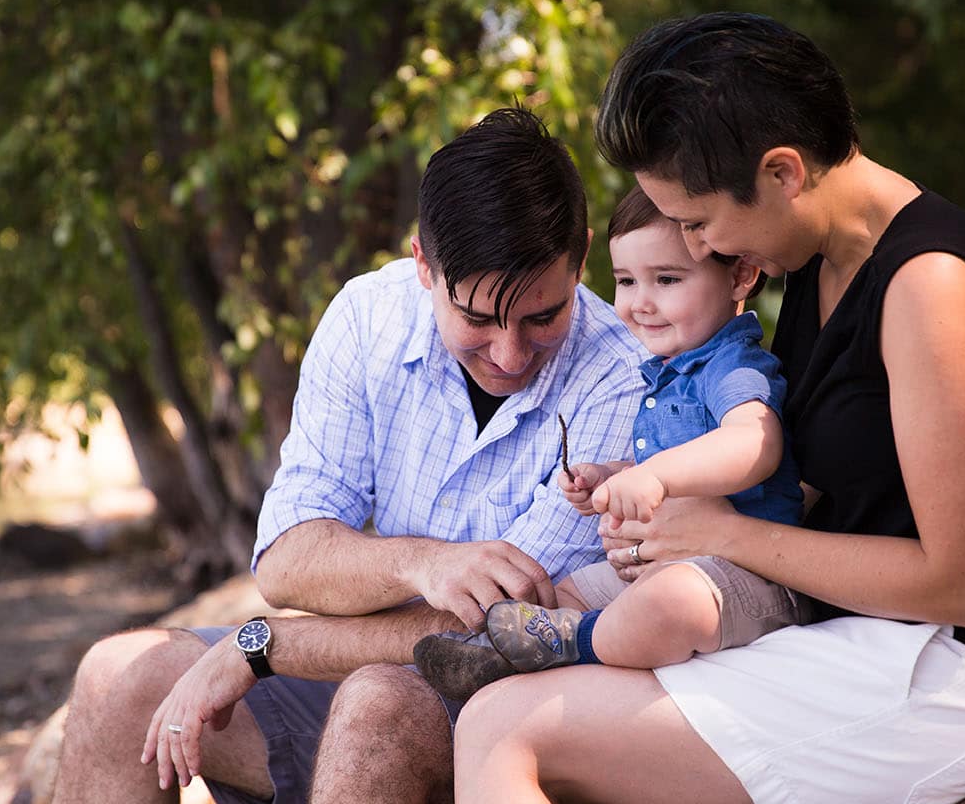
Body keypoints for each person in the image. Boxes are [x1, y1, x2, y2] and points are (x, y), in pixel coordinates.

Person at [451, 13, 965, 804]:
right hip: (871, 639)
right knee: (526, 707)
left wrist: (724, 533)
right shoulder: (817, 268)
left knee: (504, 726)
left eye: (698, 222)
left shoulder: (930, 286)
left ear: (783, 172)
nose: (695, 249)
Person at [51, 107, 645, 804]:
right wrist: (423, 561)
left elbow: (490, 631)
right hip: (361, 669)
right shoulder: (368, 315)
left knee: (375, 702)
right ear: (424, 265)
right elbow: (287, 559)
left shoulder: (622, 376)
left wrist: (263, 646)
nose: (511, 355)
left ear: (580, 255)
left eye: (542, 316)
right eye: (478, 320)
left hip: (511, 709)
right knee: (114, 674)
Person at [415, 185, 807, 696]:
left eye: (667, 279)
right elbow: (672, 457)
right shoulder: (667, 372)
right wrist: (613, 475)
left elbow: (754, 443)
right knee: (563, 594)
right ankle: (497, 656)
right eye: (626, 281)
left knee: (670, 604)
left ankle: (575, 645)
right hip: (674, 563)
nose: (641, 303)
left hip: (751, 578)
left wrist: (654, 477)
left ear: (739, 276)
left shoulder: (732, 364)